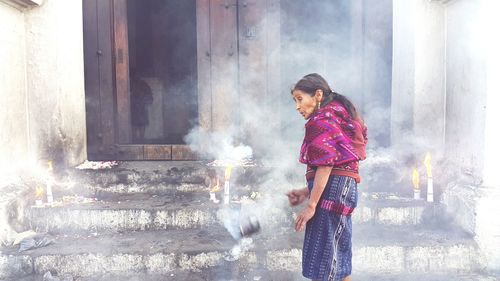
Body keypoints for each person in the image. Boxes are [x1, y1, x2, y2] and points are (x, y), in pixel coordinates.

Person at [286, 73, 367, 281]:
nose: (297, 106)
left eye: (300, 98)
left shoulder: (322, 119)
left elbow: (326, 163)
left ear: (318, 94)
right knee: (338, 258)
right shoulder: (339, 114)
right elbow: (336, 164)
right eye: (295, 101)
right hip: (342, 188)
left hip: (333, 191)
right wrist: (307, 192)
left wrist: (311, 204)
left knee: (324, 260)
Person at [129, 68, 153, 142]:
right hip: (135, 107)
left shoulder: (143, 84)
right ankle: (136, 140)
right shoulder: (130, 84)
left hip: (141, 107)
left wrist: (147, 102)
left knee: (140, 124)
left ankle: (140, 140)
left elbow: (149, 96)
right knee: (135, 124)